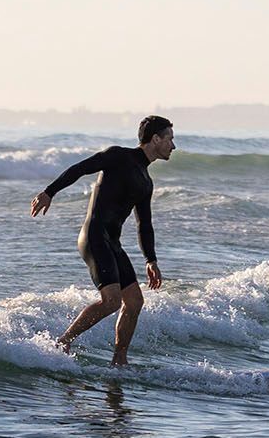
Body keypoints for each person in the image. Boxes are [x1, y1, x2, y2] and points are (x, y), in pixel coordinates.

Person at [30, 116, 176, 365]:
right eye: (170, 139)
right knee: (111, 301)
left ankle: (119, 360)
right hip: (94, 236)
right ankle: (63, 342)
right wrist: (49, 192)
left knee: (134, 301)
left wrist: (150, 259)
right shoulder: (118, 156)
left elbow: (144, 224)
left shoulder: (146, 180)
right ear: (155, 139)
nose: (173, 146)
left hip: (112, 242)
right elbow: (79, 168)